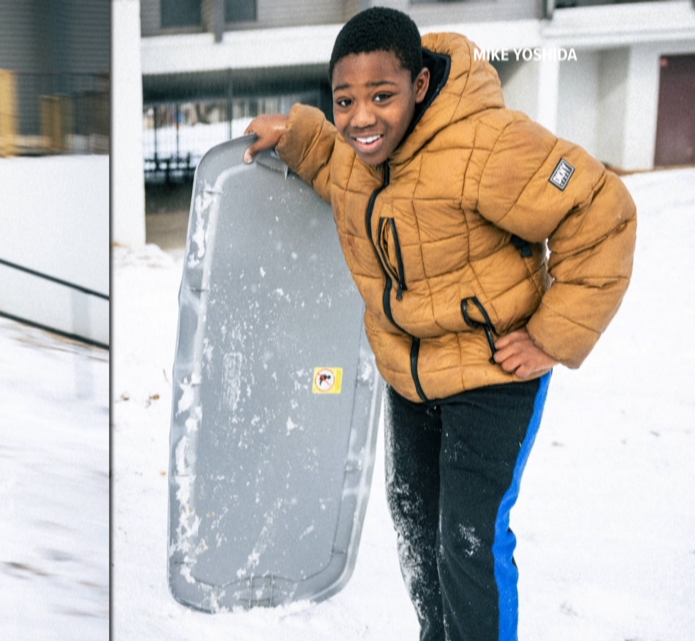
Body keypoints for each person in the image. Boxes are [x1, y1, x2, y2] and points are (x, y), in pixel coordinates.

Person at [243, 8, 635, 641]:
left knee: (468, 536)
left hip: (493, 370)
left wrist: (551, 337)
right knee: (416, 516)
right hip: (412, 375)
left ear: (420, 86)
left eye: (381, 96)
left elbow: (601, 211)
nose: (362, 117)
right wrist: (296, 132)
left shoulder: (489, 145)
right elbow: (331, 165)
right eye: (345, 100)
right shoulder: (355, 153)